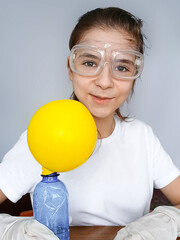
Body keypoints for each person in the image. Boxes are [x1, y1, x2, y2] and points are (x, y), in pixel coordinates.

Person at [0, 7, 180, 239]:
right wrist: (13, 230)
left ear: (135, 76)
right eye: (89, 63)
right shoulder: (42, 136)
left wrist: (164, 222)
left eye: (122, 67)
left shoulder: (142, 138)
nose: (104, 82)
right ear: (70, 68)